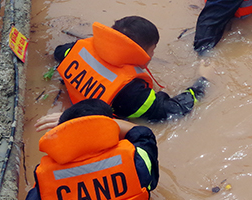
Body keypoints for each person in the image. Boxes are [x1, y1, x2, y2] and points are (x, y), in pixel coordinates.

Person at [16, 99, 163, 200]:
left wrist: (70, 124)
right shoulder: (137, 163)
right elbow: (143, 133)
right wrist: (100, 122)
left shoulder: (43, 189)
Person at [37, 16, 208, 130]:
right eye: (153, 50)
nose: (153, 55)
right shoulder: (131, 92)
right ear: (141, 53)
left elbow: (58, 52)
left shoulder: (78, 48)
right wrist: (203, 81)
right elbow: (172, 111)